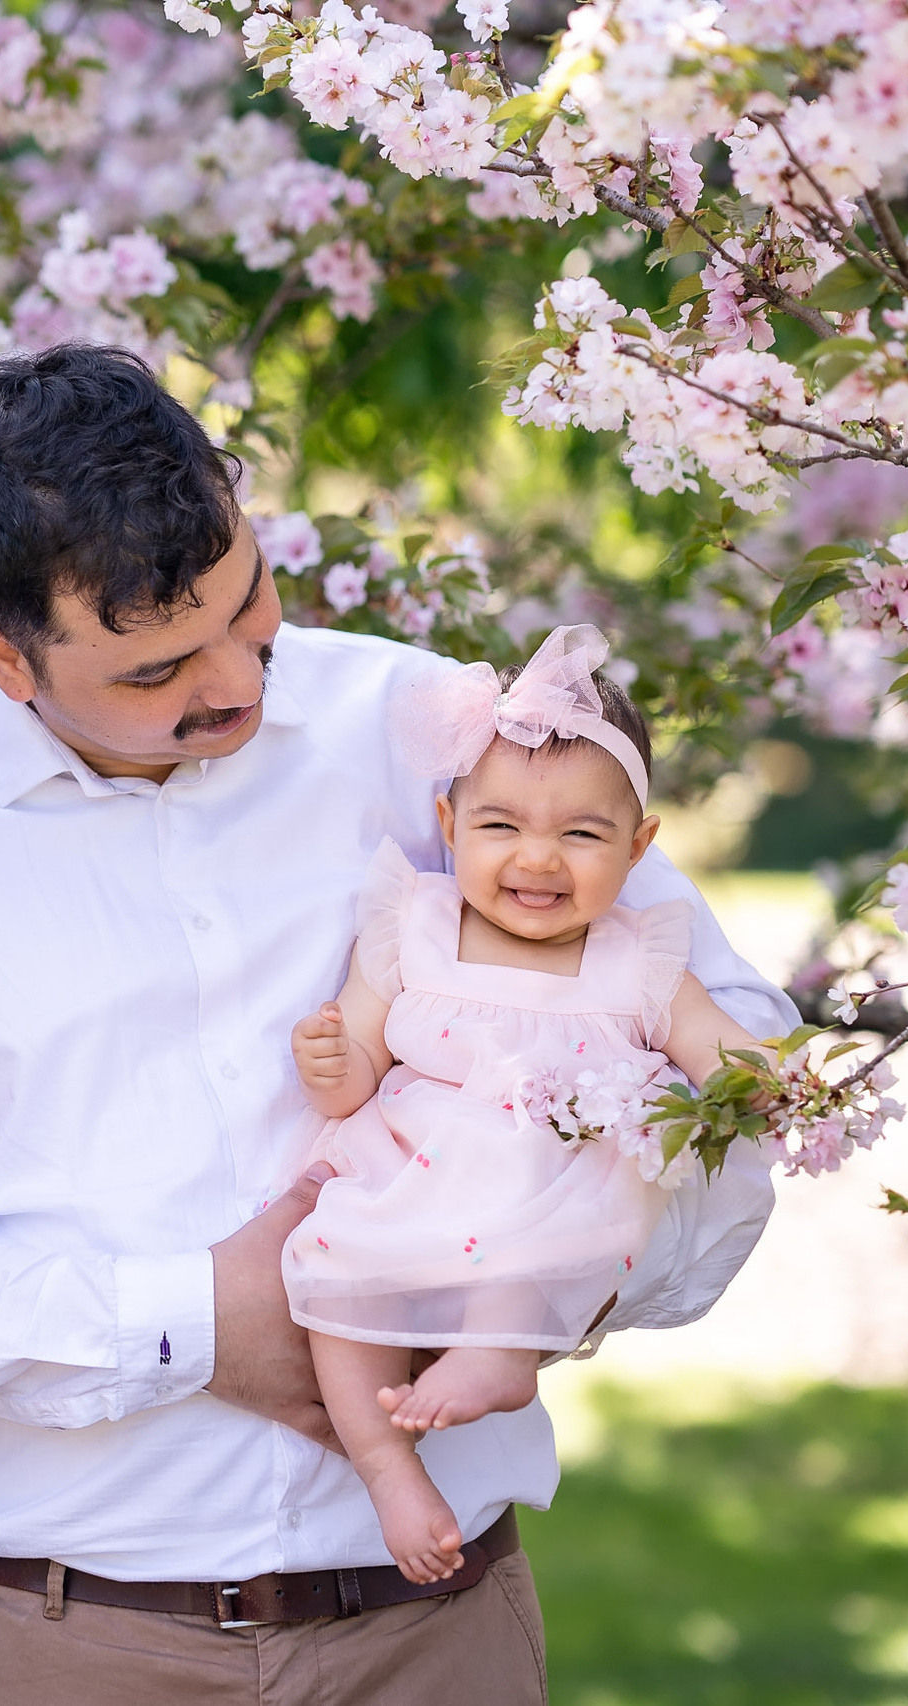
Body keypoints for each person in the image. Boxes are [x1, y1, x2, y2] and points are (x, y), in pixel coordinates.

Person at [0, 345, 789, 1704]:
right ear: (4, 655)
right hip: (67, 1642)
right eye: (160, 667)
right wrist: (199, 1320)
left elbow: (734, 1076)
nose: (239, 678)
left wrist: (514, 1281)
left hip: (441, 1636)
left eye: (252, 604)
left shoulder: (434, 730)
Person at [285, 623, 774, 1588]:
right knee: (329, 1277)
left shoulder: (638, 962)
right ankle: (389, 1473)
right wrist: (330, 1058)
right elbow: (354, 1074)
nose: (538, 859)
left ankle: (502, 1348)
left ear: (638, 846)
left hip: (545, 1182)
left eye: (581, 835)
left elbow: (723, 1049)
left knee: (551, 1192)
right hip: (410, 1172)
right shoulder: (414, 928)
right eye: (501, 827)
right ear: (449, 824)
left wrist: (773, 1078)